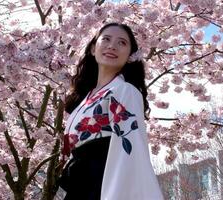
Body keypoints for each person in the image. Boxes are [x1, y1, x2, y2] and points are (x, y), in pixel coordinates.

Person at [58, 22, 164, 200]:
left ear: (130, 56)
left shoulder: (125, 91)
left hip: (104, 186)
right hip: (79, 187)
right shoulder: (85, 99)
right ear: (93, 48)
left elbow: (130, 151)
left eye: (122, 43)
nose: (112, 46)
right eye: (106, 39)